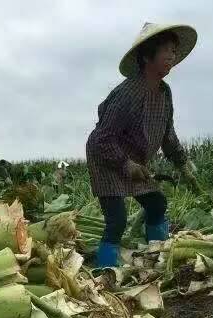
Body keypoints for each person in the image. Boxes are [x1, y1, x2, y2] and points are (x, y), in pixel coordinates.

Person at [86, 22, 200, 268]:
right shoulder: (128, 93)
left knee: (157, 203)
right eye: (166, 50)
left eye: (174, 50)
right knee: (117, 220)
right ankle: (105, 271)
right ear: (148, 56)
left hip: (134, 159)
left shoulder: (164, 93)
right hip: (106, 157)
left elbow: (167, 135)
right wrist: (124, 164)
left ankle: (156, 256)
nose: (172, 55)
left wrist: (183, 164)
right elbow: (100, 139)